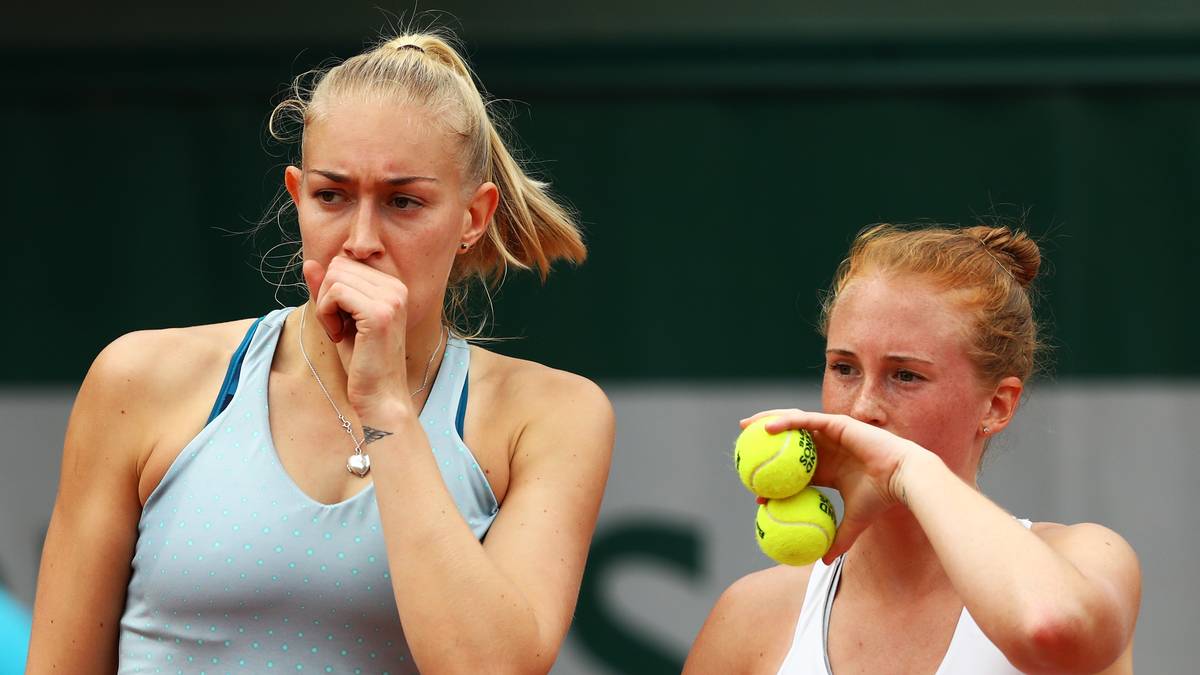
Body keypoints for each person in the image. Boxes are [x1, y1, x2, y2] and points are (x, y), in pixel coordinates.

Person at [26, 30, 614, 674]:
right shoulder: (137, 379)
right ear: (297, 195)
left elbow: (493, 668)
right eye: (332, 195)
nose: (360, 239)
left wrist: (385, 406)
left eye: (403, 202)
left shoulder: (554, 415)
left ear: (474, 216)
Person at [684, 224, 1141, 674]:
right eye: (844, 368)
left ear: (997, 406)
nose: (863, 408)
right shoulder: (752, 615)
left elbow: (1050, 629)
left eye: (905, 376)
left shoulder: (1083, 557)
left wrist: (908, 469)